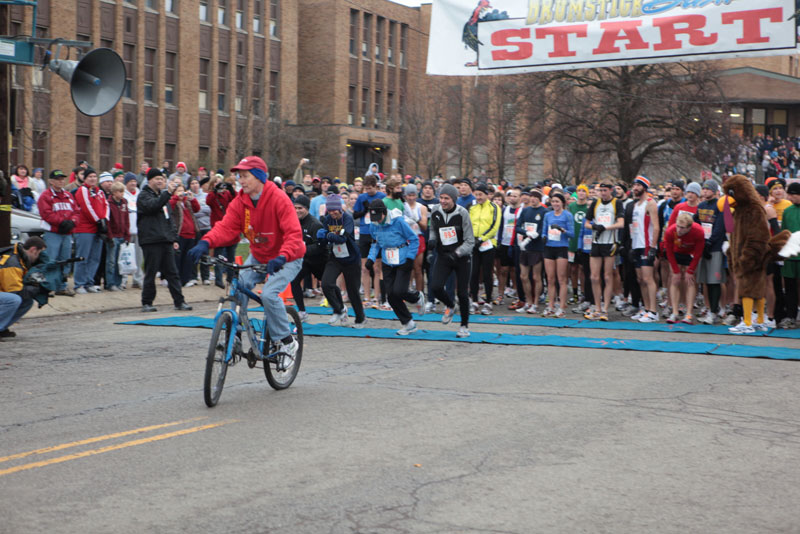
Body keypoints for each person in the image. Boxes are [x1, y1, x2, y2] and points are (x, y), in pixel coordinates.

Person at [189, 156, 305, 364]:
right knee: (238, 286)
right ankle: (234, 335)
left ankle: (287, 342)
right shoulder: (240, 201)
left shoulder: (278, 199)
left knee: (269, 294)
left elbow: (294, 235)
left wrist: (282, 256)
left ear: (259, 177)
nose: (240, 180)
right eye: (239, 176)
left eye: (245, 176)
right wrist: (205, 243)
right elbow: (226, 228)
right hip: (260, 255)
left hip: (288, 256)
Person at [137, 167, 192, 313]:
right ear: (149, 180)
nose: (160, 181)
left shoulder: (164, 197)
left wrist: (173, 238)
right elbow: (153, 207)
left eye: (162, 178)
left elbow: (169, 220)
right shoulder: (143, 196)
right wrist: (168, 193)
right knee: (151, 272)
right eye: (157, 179)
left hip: (165, 240)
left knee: (172, 272)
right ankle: (147, 302)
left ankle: (179, 301)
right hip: (151, 240)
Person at [366, 198, 424, 335]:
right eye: (374, 218)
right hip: (387, 261)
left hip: (403, 259)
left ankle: (416, 296)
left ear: (384, 212)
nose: (377, 221)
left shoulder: (398, 222)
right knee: (391, 295)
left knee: (399, 291)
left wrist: (410, 257)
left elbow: (414, 239)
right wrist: (370, 258)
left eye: (378, 217)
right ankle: (408, 323)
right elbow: (375, 243)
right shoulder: (373, 224)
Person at [427, 183, 474, 338]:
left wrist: (458, 253)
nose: (443, 201)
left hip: (461, 258)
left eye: (446, 198)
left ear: (454, 199)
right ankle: (450, 305)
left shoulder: (462, 214)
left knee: (462, 292)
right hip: (443, 255)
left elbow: (470, 241)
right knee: (435, 286)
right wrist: (432, 240)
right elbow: (433, 228)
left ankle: (464, 326)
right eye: (441, 197)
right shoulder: (435, 211)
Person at [317, 194, 367, 328]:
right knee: (326, 284)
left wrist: (327, 235)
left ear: (340, 209)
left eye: (335, 210)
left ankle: (360, 318)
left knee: (352, 292)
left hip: (351, 259)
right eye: (330, 210)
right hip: (336, 258)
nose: (333, 212)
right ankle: (339, 309)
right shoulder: (328, 219)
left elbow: (343, 238)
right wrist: (322, 238)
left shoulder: (347, 219)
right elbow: (325, 240)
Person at [584, 182, 624, 321]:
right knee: (594, 277)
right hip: (596, 242)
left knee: (607, 276)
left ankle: (605, 309)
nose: (603, 193)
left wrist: (605, 228)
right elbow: (586, 223)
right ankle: (597, 307)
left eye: (605, 190)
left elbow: (621, 223)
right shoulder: (595, 203)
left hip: (609, 242)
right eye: (601, 190)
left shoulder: (616, 203)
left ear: (611, 191)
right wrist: (595, 226)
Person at [37, 170, 78, 296]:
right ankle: (48, 286)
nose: (61, 181)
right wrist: (61, 223)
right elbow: (46, 214)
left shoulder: (68, 196)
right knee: (51, 259)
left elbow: (76, 211)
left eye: (62, 179)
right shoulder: (46, 196)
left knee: (65, 260)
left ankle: (62, 286)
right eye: (58, 179)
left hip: (66, 234)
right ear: (51, 181)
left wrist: (72, 222)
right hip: (53, 233)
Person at [626, 176, 660, 323]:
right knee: (640, 279)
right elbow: (634, 226)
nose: (635, 188)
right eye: (634, 186)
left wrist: (653, 247)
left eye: (638, 186)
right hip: (637, 245)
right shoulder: (635, 204)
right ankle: (646, 308)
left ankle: (653, 311)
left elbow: (656, 227)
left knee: (648, 278)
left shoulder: (650, 204)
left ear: (644, 187)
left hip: (647, 245)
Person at [0, 237, 46, 339]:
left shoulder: (20, 258)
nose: (38, 258)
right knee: (13, 300)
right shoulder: (12, 263)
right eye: (39, 254)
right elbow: (15, 292)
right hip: (9, 293)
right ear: (33, 250)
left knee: (27, 302)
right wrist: (38, 288)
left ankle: (1, 329)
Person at [290, 194, 327, 321]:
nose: (297, 211)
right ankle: (302, 312)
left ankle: (340, 309)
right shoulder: (293, 222)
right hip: (305, 261)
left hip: (319, 261)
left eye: (300, 208)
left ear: (307, 208)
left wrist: (302, 249)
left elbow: (320, 247)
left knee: (328, 287)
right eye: (295, 208)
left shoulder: (315, 224)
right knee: (294, 280)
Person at [72, 167, 109, 294]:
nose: (93, 179)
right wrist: (98, 220)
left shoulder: (99, 192)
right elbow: (86, 206)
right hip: (85, 228)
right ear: (85, 178)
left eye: (94, 177)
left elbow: (105, 206)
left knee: (95, 257)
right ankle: (79, 284)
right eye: (90, 177)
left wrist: (104, 220)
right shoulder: (82, 190)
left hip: (98, 229)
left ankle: (89, 281)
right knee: (83, 257)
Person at [664, 212, 705, 324]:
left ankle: (689, 313)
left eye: (682, 228)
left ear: (689, 227)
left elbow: (698, 253)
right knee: (675, 279)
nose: (679, 229)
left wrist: (690, 270)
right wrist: (676, 271)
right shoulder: (670, 231)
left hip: (690, 253)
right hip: (676, 252)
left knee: (689, 280)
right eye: (677, 226)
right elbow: (669, 252)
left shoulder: (698, 231)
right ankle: (675, 312)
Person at [352, 175, 386, 307]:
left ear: (375, 186)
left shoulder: (381, 197)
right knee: (364, 267)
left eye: (370, 188)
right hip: (364, 233)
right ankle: (366, 297)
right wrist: (365, 210)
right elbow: (354, 214)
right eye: (366, 189)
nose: (368, 191)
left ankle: (376, 297)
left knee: (377, 267)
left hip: (377, 233)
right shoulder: (361, 198)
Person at [469, 182, 501, 315]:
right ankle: (474, 301)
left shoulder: (494, 207)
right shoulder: (472, 208)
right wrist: (472, 239)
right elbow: (468, 224)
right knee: (474, 273)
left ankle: (488, 301)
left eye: (481, 194)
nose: (478, 197)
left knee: (488, 273)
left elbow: (494, 226)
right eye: (476, 195)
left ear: (487, 195)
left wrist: (482, 238)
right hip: (474, 244)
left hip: (488, 243)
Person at [542, 192, 574, 317]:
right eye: (553, 201)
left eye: (557, 202)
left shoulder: (567, 215)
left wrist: (561, 229)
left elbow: (572, 234)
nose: (555, 204)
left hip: (561, 247)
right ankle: (550, 305)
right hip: (549, 247)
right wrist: (543, 237)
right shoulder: (548, 215)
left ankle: (561, 307)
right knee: (550, 279)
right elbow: (544, 230)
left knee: (561, 279)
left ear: (562, 203)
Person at [515, 190, 547, 314]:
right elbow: (517, 226)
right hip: (525, 247)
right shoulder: (525, 210)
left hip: (537, 248)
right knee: (523, 276)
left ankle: (536, 303)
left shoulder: (544, 212)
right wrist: (526, 233)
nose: (533, 199)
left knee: (536, 276)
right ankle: (528, 302)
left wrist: (537, 234)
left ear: (539, 199)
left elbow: (543, 227)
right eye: (531, 197)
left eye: (535, 197)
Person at [169, 182, 201, 287]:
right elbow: (170, 207)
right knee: (178, 259)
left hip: (191, 234)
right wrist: (176, 197)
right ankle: (176, 280)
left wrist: (192, 199)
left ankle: (185, 279)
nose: (181, 193)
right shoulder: (173, 202)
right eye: (179, 191)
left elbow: (197, 209)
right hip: (180, 234)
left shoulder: (187, 202)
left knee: (188, 259)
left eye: (182, 191)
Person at [402, 184, 428, 300]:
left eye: (413, 195)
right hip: (405, 239)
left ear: (416, 195)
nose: (411, 198)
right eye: (409, 195)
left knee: (418, 268)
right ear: (405, 196)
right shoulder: (402, 206)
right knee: (405, 268)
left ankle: (420, 294)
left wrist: (416, 218)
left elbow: (424, 227)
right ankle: (405, 292)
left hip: (418, 238)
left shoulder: (421, 207)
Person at [105, 182, 131, 291]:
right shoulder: (109, 203)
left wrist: (127, 235)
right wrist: (110, 236)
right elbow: (108, 222)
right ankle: (110, 283)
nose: (122, 194)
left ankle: (118, 282)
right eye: (120, 192)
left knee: (120, 261)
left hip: (122, 235)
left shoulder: (124, 202)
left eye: (123, 192)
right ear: (114, 192)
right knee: (111, 261)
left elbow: (126, 220)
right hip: (113, 236)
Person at [123, 173, 144, 288]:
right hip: (127, 231)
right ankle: (123, 280)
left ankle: (137, 280)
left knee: (138, 257)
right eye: (130, 181)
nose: (133, 183)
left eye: (134, 181)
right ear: (126, 183)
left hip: (139, 230)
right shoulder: (123, 195)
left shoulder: (140, 194)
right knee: (125, 256)